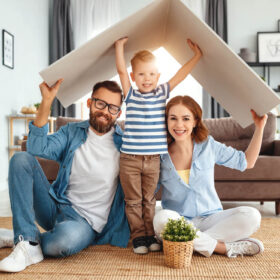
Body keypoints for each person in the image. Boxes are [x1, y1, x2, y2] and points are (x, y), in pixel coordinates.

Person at [0, 79, 130, 273]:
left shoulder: (125, 143)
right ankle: (27, 243)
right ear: (89, 103)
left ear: (119, 113)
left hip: (85, 223)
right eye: (100, 103)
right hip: (55, 207)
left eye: (113, 108)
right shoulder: (72, 132)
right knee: (20, 159)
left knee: (60, 244)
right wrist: (47, 101)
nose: (105, 111)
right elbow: (36, 147)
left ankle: (22, 237)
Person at [115, 37, 202, 254]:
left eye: (152, 74)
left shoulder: (162, 93)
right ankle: (138, 238)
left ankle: (150, 235)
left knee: (149, 200)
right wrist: (119, 48)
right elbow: (121, 72)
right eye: (142, 74)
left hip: (153, 159)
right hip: (130, 160)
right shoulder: (131, 94)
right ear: (134, 77)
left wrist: (196, 56)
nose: (147, 78)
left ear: (158, 76)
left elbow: (180, 75)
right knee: (133, 201)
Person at [153, 95, 267, 258]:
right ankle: (223, 248)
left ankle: (184, 243)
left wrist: (260, 127)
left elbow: (246, 162)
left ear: (195, 122)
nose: (179, 125)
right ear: (166, 121)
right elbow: (148, 194)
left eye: (186, 118)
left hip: (212, 219)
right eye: (173, 118)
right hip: (179, 221)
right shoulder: (159, 155)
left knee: (252, 215)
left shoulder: (208, 145)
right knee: (161, 218)